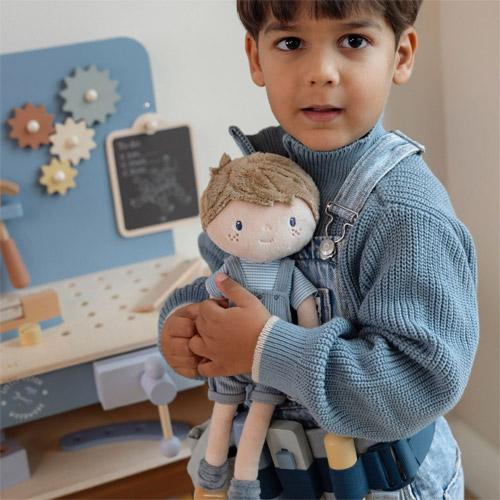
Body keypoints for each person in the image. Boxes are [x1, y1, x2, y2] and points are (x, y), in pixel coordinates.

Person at [158, 1, 479, 498]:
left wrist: (266, 349)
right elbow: (223, 284)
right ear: (256, 58)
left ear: (400, 56)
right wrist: (186, 325)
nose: (321, 72)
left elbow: (420, 382)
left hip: (382, 483)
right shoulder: (249, 184)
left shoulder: (406, 214)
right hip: (276, 476)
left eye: (353, 41)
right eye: (291, 43)